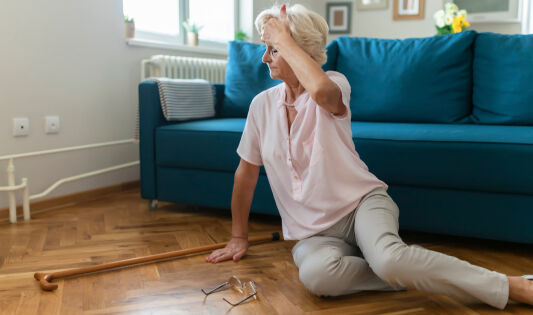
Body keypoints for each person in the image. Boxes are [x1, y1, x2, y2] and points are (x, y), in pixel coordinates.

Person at [205, 3, 533, 310]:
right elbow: (245, 174)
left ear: (299, 49)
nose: (265, 58)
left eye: (273, 49)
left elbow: (320, 92)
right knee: (319, 277)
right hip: (312, 233)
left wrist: (283, 38)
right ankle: (411, 269)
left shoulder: (334, 83)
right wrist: (238, 236)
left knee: (389, 260)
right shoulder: (261, 107)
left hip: (362, 205)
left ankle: (512, 286)